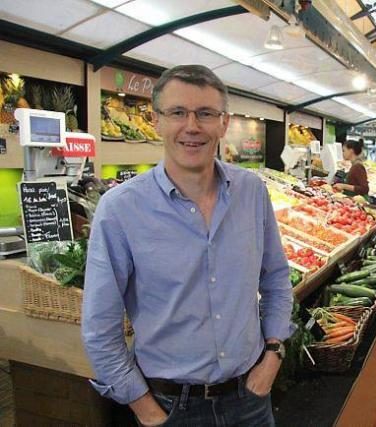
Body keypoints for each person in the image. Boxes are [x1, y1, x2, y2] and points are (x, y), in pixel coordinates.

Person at [82, 65, 293, 426]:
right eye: (178, 112)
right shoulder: (120, 209)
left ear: (223, 123)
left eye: (206, 114)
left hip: (250, 400)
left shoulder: (252, 193)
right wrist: (142, 405)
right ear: (156, 121)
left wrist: (273, 352)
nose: (192, 126)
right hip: (169, 407)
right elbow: (100, 325)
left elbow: (275, 278)